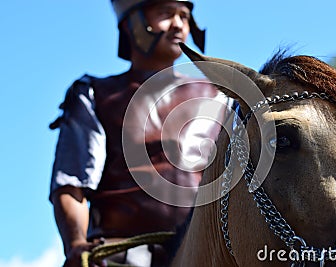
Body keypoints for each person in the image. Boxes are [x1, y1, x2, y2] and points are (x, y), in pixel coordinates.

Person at [49, 1, 231, 266]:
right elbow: (71, 183)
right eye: (166, 14)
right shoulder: (97, 95)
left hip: (202, 251)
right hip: (121, 255)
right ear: (132, 24)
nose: (179, 24)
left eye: (185, 16)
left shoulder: (218, 96)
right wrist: (76, 244)